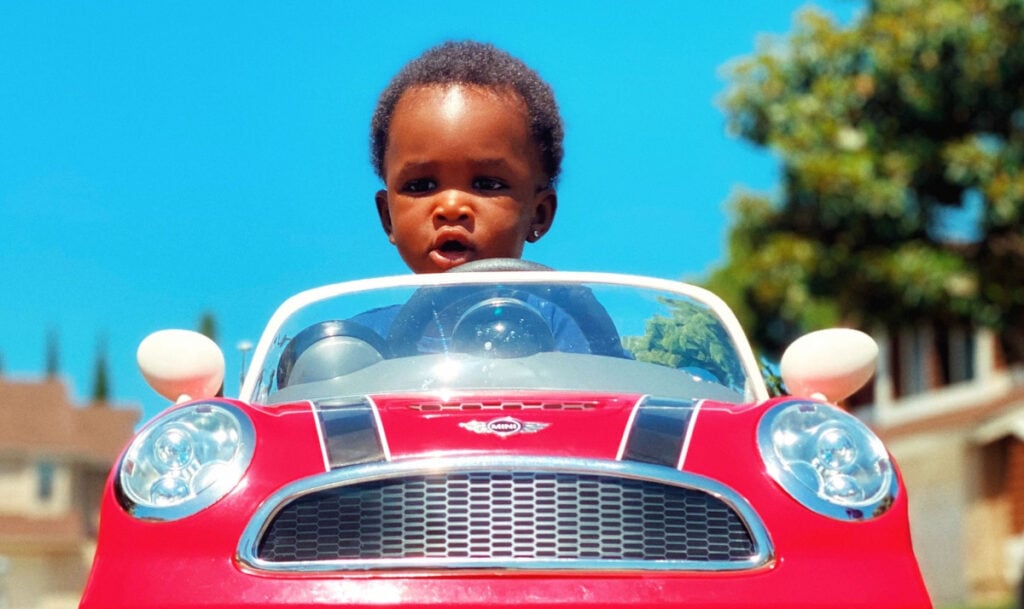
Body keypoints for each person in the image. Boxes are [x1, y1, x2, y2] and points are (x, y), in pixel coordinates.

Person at [369, 40, 562, 274]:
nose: (451, 208)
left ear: (539, 214)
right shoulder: (345, 312)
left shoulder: (570, 309)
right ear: (388, 216)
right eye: (421, 185)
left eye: (487, 184)